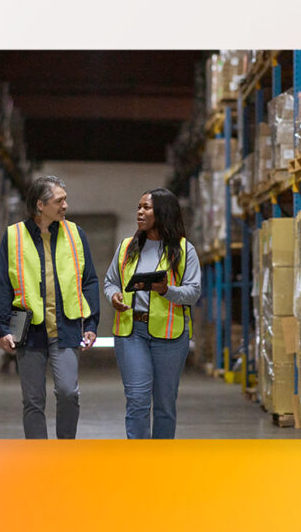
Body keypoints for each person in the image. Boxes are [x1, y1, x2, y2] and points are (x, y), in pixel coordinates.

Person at [0, 175, 100, 439]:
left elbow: (90, 281)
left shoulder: (76, 234)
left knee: (68, 392)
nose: (65, 206)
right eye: (59, 200)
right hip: (25, 324)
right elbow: (3, 285)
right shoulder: (13, 235)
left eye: (65, 200)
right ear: (41, 205)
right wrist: (2, 327)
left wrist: (92, 323)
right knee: (32, 399)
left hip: (67, 324)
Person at [104, 188, 201, 439]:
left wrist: (166, 290)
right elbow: (110, 282)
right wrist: (113, 296)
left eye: (146, 207)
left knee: (165, 405)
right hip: (131, 332)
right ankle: (139, 462)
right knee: (137, 399)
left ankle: (160, 462)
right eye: (139, 207)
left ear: (163, 212)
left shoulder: (183, 250)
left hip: (170, 336)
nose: (140, 212)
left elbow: (193, 292)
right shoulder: (127, 247)